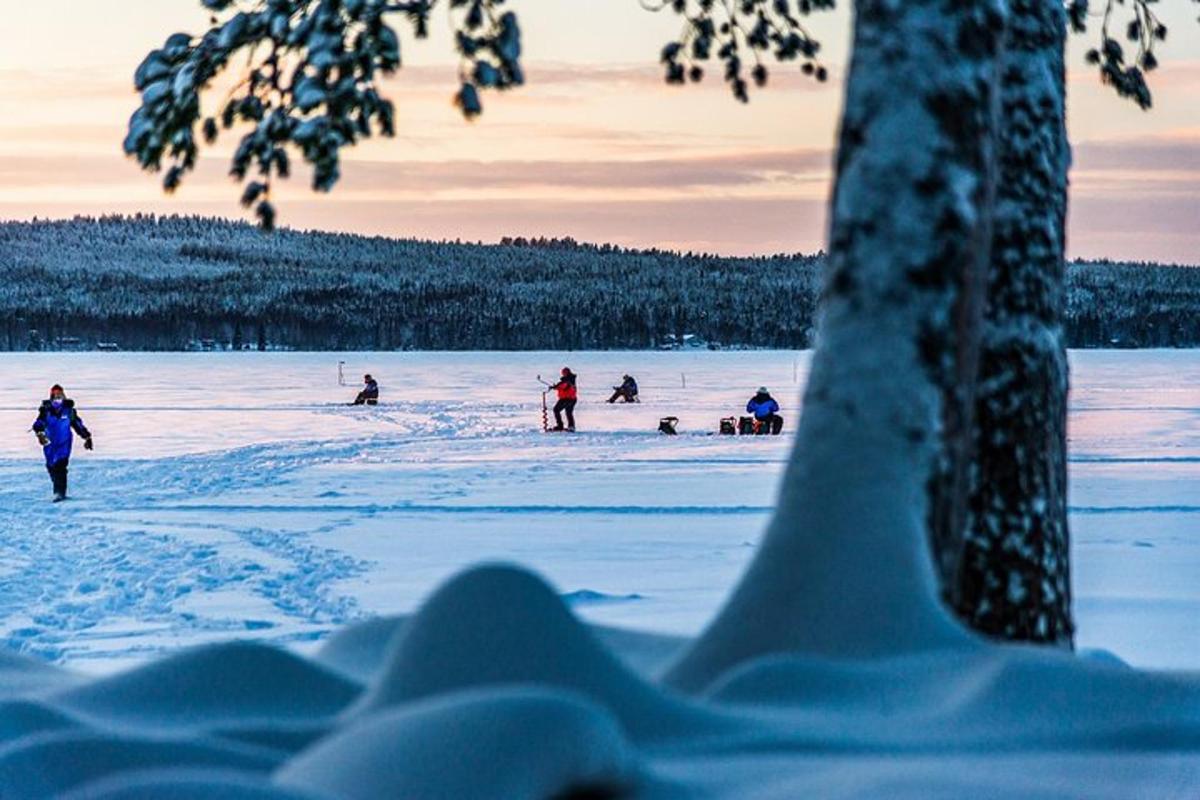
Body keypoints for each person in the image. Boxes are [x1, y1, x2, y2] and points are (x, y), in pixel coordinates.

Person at [32, 384, 93, 502]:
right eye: (55, 397)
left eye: (60, 396)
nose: (58, 399)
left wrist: (87, 437)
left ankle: (59, 494)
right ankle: (57, 489)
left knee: (60, 467)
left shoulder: (69, 411)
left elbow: (78, 425)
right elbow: (38, 424)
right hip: (49, 444)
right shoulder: (46, 411)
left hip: (64, 444)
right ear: (51, 398)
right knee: (51, 467)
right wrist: (40, 434)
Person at [548, 367, 578, 432]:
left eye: (564, 373)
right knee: (568, 412)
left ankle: (560, 426)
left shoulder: (568, 380)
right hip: (572, 399)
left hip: (566, 399)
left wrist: (555, 387)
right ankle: (571, 427)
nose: (563, 374)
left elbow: (564, 386)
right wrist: (555, 387)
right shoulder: (571, 379)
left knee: (556, 410)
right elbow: (562, 385)